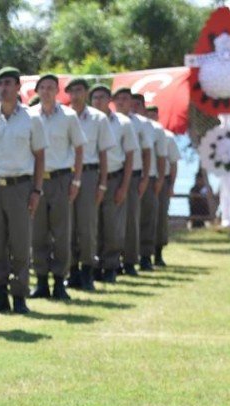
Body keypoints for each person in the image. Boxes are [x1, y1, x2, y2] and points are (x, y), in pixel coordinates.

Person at [0, 66, 47, 315]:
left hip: (20, 186)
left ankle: (19, 296)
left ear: (18, 87)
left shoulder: (32, 117)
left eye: (9, 83)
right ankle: (0, 296)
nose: (4, 88)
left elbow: (40, 156)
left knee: (20, 244)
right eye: (0, 84)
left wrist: (37, 190)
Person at [28, 74, 85, 301]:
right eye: (42, 88)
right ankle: (41, 280)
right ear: (37, 91)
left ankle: (60, 281)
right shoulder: (30, 116)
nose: (46, 91)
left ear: (57, 90)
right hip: (38, 180)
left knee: (62, 232)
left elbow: (79, 148)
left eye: (51, 87)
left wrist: (77, 180)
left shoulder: (69, 116)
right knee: (38, 232)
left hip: (61, 179)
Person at [65, 77, 114, 292]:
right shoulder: (63, 116)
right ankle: (71, 270)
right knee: (67, 225)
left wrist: (102, 184)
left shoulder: (97, 119)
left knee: (86, 226)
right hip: (65, 175)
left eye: (79, 90)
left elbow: (103, 153)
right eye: (71, 91)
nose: (75, 95)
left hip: (88, 174)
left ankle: (87, 271)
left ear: (86, 93)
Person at [90, 84, 137, 283]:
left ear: (109, 100)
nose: (97, 101)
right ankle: (92, 265)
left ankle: (110, 265)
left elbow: (129, 157)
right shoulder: (87, 121)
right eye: (94, 97)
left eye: (102, 97)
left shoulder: (123, 123)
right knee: (91, 225)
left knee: (112, 225)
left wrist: (124, 186)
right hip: (91, 178)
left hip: (114, 177)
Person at [112, 86, 152, 276]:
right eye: (118, 98)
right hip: (113, 175)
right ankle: (112, 260)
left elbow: (146, 152)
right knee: (112, 221)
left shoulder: (142, 123)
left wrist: (145, 178)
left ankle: (129, 261)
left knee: (131, 220)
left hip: (134, 175)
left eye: (125, 99)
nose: (121, 102)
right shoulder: (108, 120)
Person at [133, 94, 167, 270]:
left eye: (137, 104)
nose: (133, 106)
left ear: (144, 107)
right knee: (128, 221)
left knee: (148, 218)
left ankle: (146, 256)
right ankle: (128, 257)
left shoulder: (154, 128)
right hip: (128, 177)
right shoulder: (123, 123)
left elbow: (161, 156)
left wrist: (160, 178)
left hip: (150, 177)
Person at [151, 109, 179, 265]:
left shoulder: (167, 136)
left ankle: (158, 253)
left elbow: (173, 163)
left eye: (153, 113)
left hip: (163, 180)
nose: (150, 116)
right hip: (145, 178)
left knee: (160, 217)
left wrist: (171, 185)